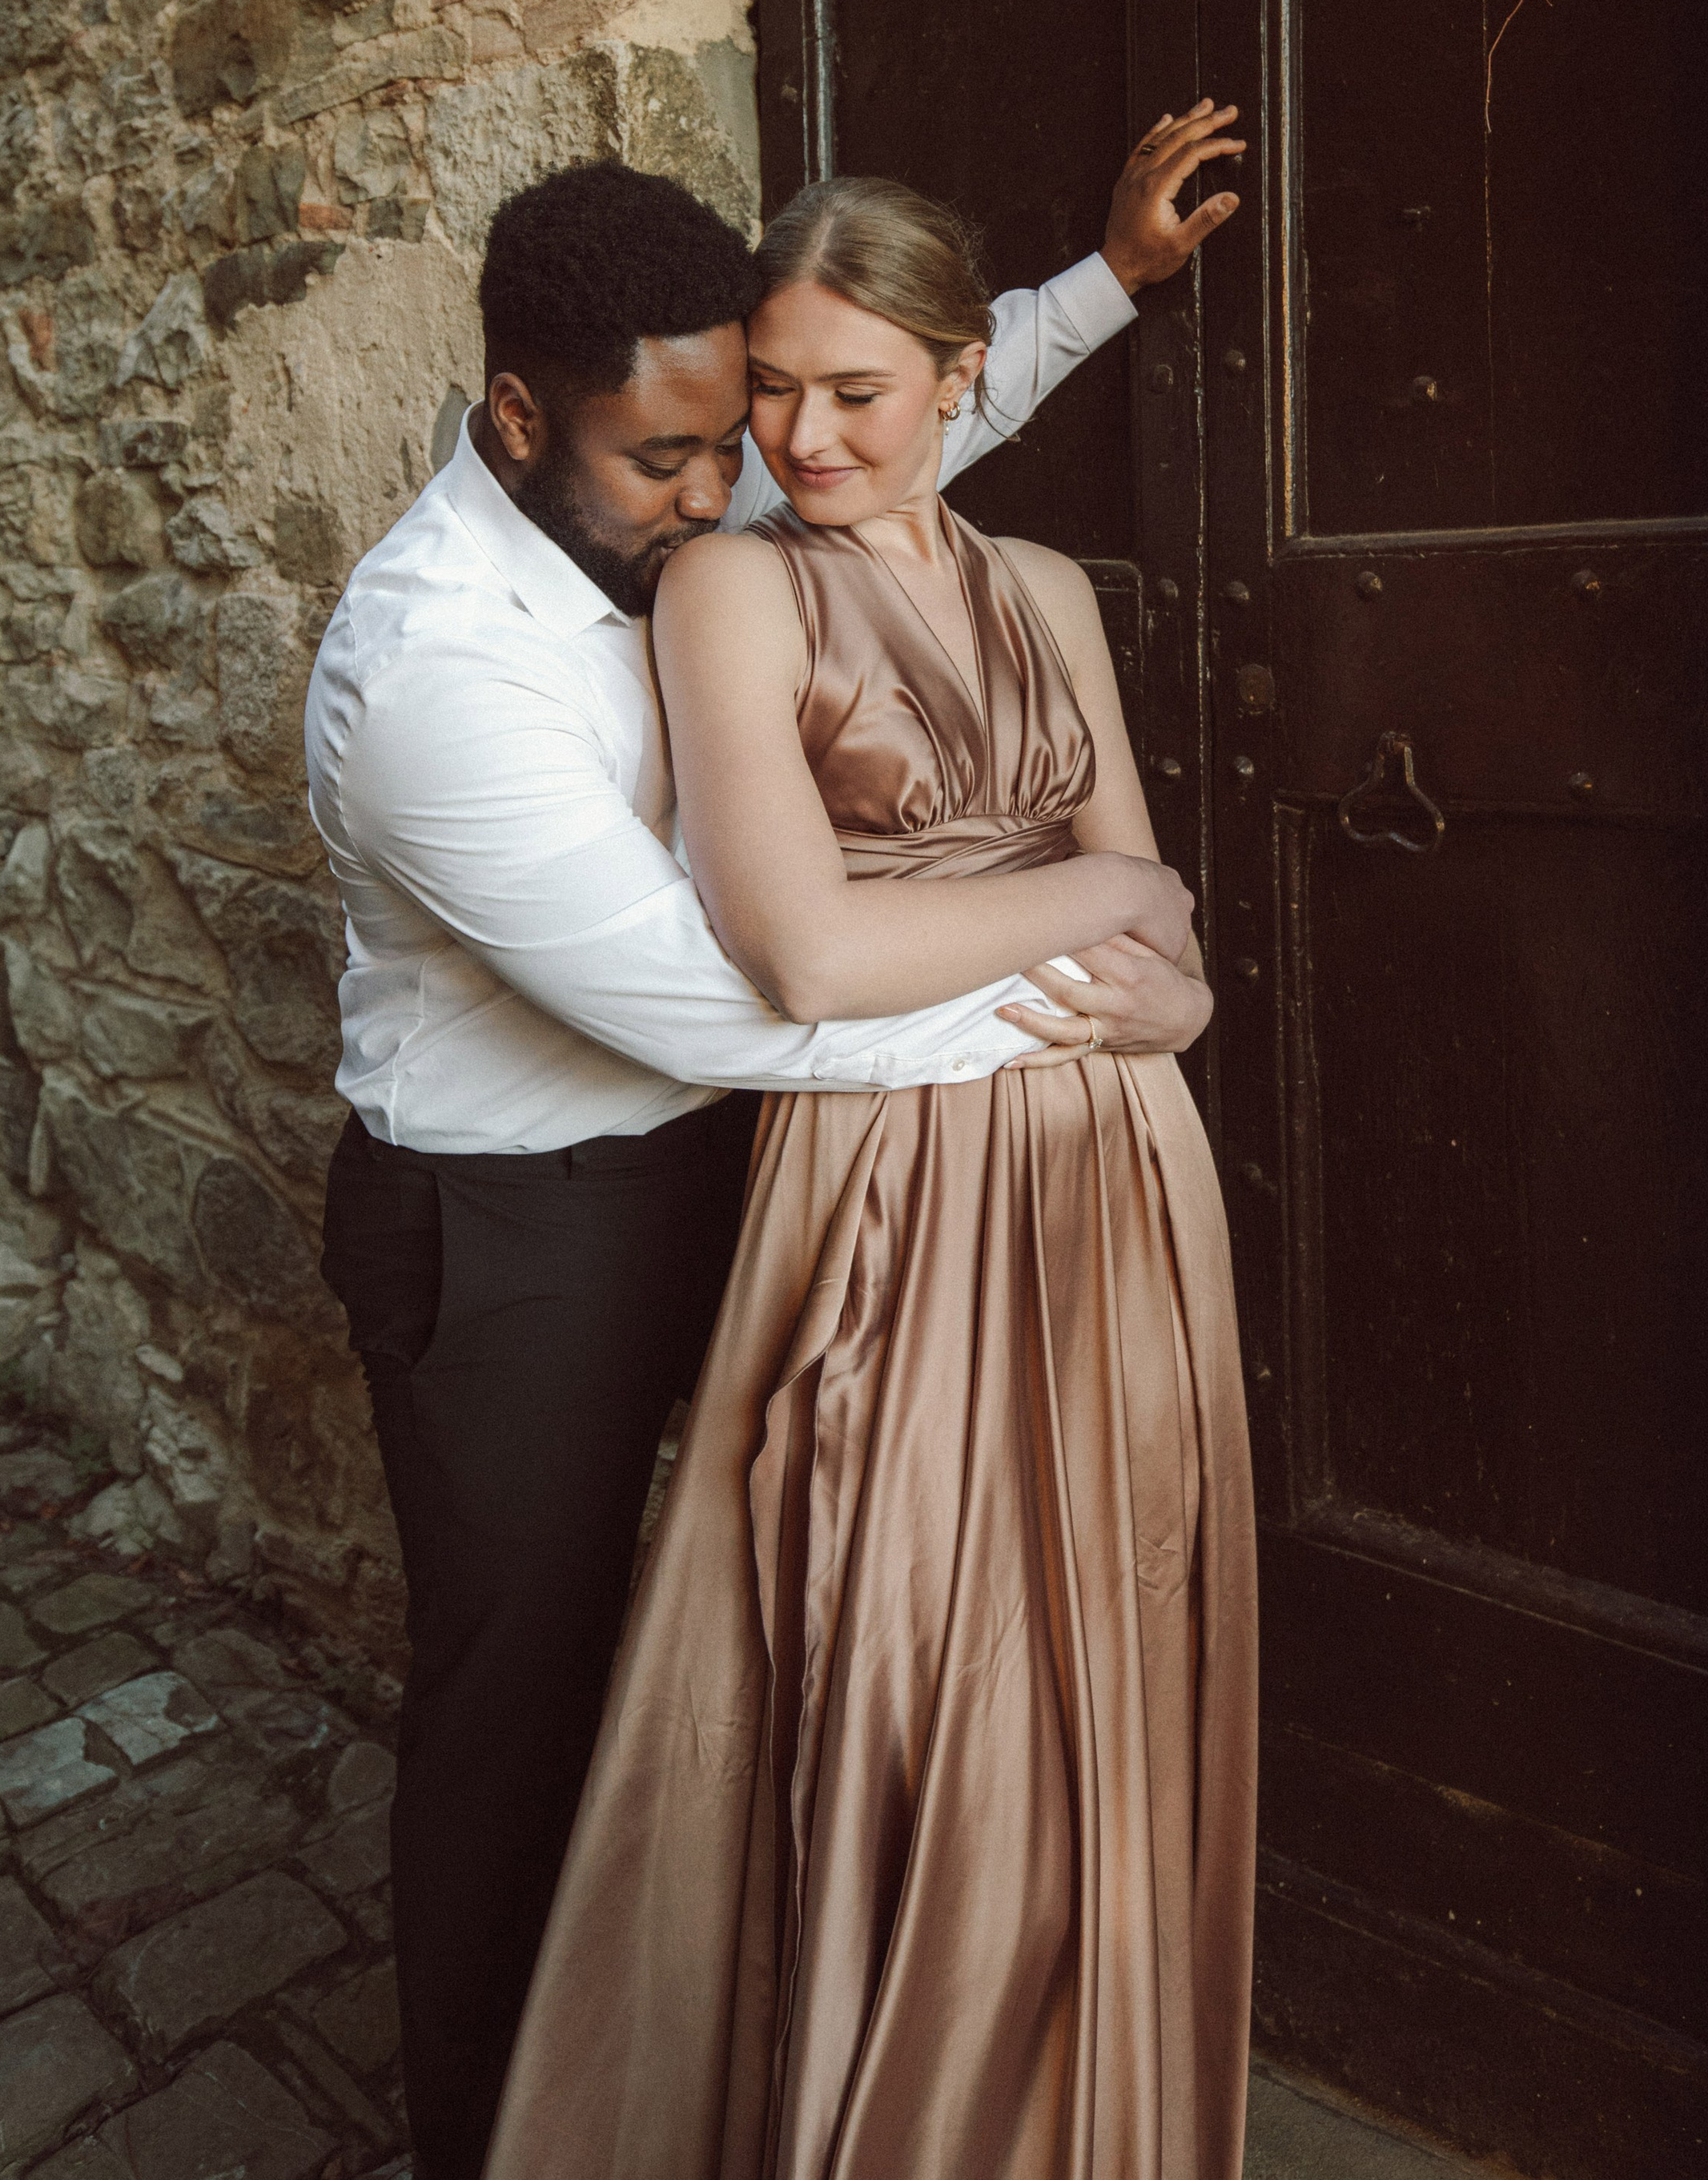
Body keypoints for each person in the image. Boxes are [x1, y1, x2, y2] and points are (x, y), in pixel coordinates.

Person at [307, 104, 1244, 2180]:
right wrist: (1131, 949)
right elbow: (765, 995)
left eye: (746, 428)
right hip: (514, 1228)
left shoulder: (696, 488)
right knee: (527, 1703)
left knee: (757, 1662)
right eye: (678, 452)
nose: (738, 479)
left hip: (720, 1171)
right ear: (520, 415)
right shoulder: (428, 677)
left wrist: (1102, 285)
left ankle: (756, 2069)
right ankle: (505, 2131)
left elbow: (895, 434)